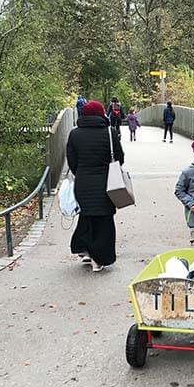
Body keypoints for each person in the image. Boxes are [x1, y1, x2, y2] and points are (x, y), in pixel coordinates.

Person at [67, 100, 124, 271]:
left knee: (87, 215)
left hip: (83, 183)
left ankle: (84, 249)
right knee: (104, 220)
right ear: (101, 113)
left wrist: (82, 173)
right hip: (107, 183)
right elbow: (120, 158)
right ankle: (99, 258)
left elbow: (72, 161)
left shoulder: (74, 134)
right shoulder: (110, 132)